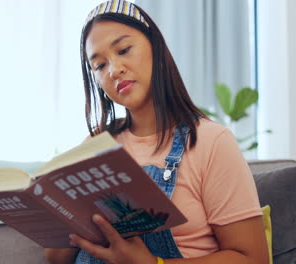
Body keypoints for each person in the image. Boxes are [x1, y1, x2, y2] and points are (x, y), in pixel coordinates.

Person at [45, 0, 269, 263]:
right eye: (100, 66)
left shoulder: (211, 141)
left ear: (156, 47)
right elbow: (56, 258)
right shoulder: (97, 144)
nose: (115, 69)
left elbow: (253, 258)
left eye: (124, 50)